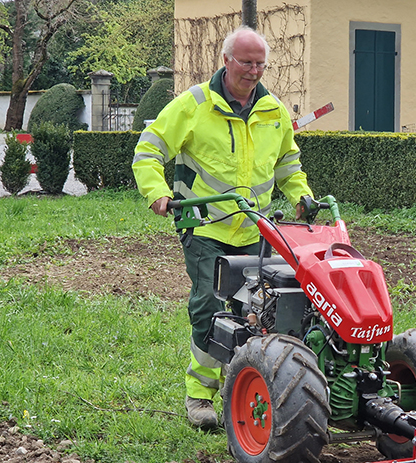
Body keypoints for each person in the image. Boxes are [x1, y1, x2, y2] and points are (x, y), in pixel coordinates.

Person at [132, 26, 313, 430]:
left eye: (260, 63)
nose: (254, 71)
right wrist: (156, 192)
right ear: (226, 60)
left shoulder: (273, 110)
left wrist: (300, 196)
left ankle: (247, 384)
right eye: (246, 62)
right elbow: (149, 147)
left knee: (259, 311)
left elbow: (287, 164)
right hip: (205, 226)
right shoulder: (195, 104)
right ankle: (199, 396)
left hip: (255, 229)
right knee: (209, 309)